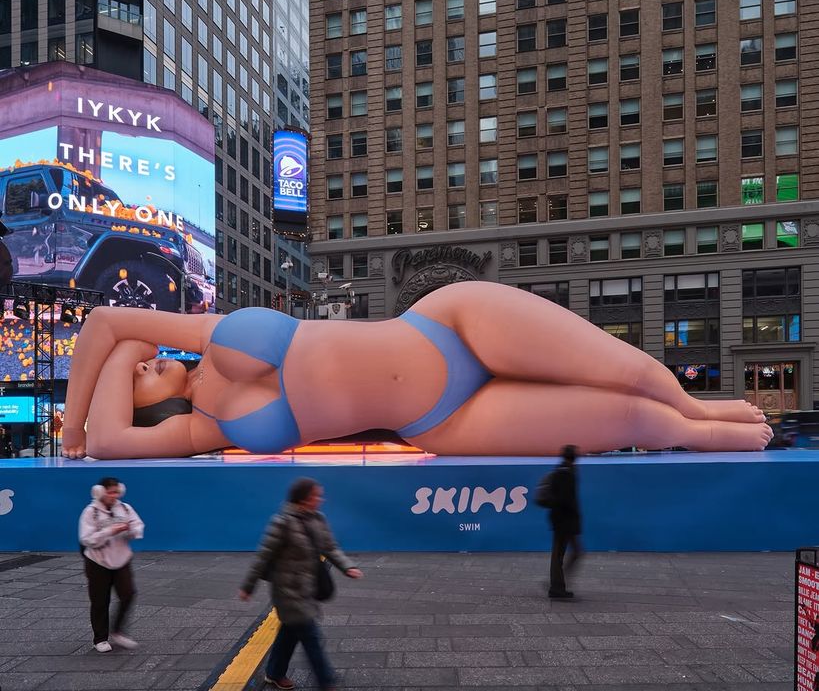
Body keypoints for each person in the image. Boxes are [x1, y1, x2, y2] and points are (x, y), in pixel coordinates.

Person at [61, 282, 773, 460]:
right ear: (148, 407)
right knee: (627, 419)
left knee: (629, 369)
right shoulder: (203, 431)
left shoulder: (212, 339)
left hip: (449, 324)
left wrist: (122, 357)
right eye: (142, 376)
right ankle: (710, 430)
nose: (149, 359)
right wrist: (95, 408)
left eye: (144, 358)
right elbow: (105, 444)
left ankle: (708, 408)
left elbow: (106, 325)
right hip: (441, 422)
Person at [239, 478, 362, 690]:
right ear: (303, 499)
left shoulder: (318, 519)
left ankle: (274, 673)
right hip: (287, 590)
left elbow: (330, 548)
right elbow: (263, 558)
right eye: (316, 495)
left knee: (289, 632)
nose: (320, 499)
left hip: (308, 588)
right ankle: (326, 681)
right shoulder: (281, 523)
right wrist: (247, 587)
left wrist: (347, 567)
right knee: (310, 635)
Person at [78, 476, 145, 653]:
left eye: (116, 491)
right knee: (100, 600)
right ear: (100, 491)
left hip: (121, 558)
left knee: (128, 594)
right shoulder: (90, 512)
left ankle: (117, 631)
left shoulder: (124, 508)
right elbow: (86, 538)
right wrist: (109, 531)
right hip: (97, 561)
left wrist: (130, 529)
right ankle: (100, 638)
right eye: (110, 492)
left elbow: (138, 527)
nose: (114, 495)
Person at [546, 445, 583, 600]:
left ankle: (558, 583)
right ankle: (557, 586)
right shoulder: (567, 474)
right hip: (565, 521)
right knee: (563, 554)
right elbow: (567, 500)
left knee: (564, 554)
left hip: (561, 520)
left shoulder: (561, 471)